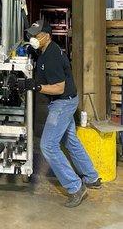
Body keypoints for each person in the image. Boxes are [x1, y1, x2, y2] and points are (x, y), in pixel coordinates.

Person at [24, 19, 101, 208]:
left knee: (48, 145)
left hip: (62, 103)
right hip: (68, 101)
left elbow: (58, 88)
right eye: (32, 35)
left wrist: (36, 86)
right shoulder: (46, 50)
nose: (33, 38)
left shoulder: (52, 57)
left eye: (37, 36)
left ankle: (75, 187)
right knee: (70, 140)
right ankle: (91, 177)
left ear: (47, 36)